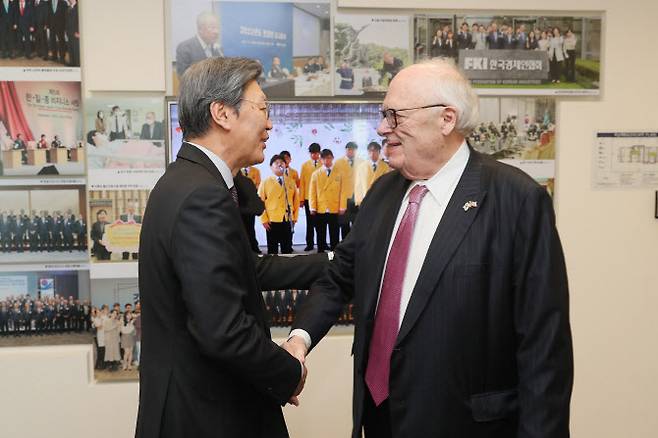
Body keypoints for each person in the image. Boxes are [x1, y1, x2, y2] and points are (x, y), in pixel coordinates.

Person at [286, 58, 573, 437]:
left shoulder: (516, 201)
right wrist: (298, 339)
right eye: (383, 115)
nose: (382, 127)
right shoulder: (382, 193)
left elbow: (544, 350)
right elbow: (339, 278)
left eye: (394, 116)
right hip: (379, 420)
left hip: (465, 425)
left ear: (446, 119)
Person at [135, 56, 329, 438]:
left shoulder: (188, 181)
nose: (270, 123)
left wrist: (331, 261)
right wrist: (288, 371)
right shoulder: (201, 196)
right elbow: (222, 330)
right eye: (262, 109)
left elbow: (242, 269)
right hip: (207, 414)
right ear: (222, 113)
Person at [258, 154, 298, 254]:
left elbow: (296, 201)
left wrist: (295, 217)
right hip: (272, 220)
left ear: (285, 165)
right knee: (272, 248)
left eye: (282, 163)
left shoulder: (290, 182)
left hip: (287, 218)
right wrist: (263, 219)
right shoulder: (265, 182)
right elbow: (259, 201)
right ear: (271, 167)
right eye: (276, 163)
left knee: (287, 248)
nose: (280, 165)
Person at [308, 148, 345, 253]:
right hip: (321, 208)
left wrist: (342, 206)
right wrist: (312, 207)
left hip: (334, 207)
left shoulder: (339, 173)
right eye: (324, 158)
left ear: (332, 158)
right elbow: (312, 192)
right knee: (320, 234)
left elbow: (343, 191)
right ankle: (321, 255)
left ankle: (334, 256)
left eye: (329, 158)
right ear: (321, 159)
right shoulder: (316, 174)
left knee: (334, 234)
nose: (326, 161)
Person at [175, 11, 223, 78]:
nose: (216, 32)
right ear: (200, 29)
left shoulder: (218, 50)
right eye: (212, 27)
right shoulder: (185, 48)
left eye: (217, 28)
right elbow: (183, 77)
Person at [332, 141, 362, 239]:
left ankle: (355, 246)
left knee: (357, 224)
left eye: (353, 150)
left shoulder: (361, 162)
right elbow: (335, 184)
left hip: (357, 198)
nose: (351, 151)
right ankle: (345, 246)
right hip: (343, 198)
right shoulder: (338, 163)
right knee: (344, 224)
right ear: (346, 150)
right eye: (349, 149)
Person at [234, 168, 265, 254]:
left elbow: (258, 207)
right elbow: (258, 208)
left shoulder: (245, 181)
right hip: (244, 241)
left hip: (241, 239)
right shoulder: (245, 181)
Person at [299, 143, 322, 251]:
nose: (314, 155)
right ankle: (310, 244)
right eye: (312, 153)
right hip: (309, 198)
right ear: (310, 153)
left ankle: (322, 243)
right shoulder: (305, 165)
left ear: (319, 153)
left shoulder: (324, 163)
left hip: (321, 199)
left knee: (320, 222)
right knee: (310, 223)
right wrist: (301, 199)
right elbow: (302, 183)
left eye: (316, 153)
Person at [353, 141, 390, 206]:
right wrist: (359, 201)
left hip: (380, 200)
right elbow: (358, 185)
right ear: (367, 152)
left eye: (375, 151)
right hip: (365, 200)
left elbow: (387, 185)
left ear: (379, 152)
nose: (372, 154)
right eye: (370, 151)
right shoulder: (361, 167)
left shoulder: (385, 166)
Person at [65, 0, 79, 66]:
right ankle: (72, 62)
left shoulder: (79, 7)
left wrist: (78, 32)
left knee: (76, 49)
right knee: (70, 48)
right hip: (69, 32)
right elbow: (67, 20)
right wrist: (66, 30)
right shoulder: (69, 7)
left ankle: (77, 64)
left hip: (76, 32)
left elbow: (80, 20)